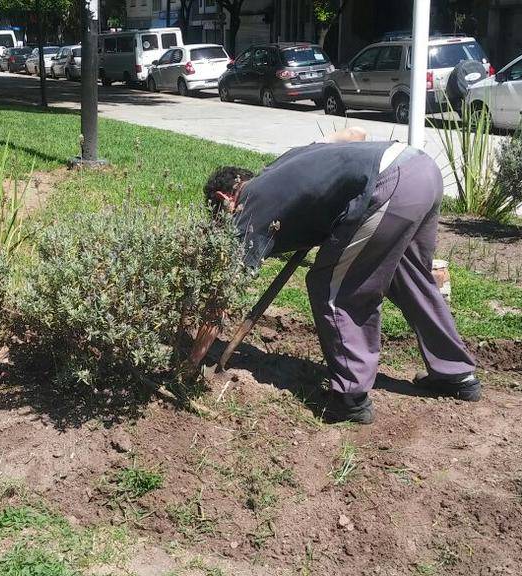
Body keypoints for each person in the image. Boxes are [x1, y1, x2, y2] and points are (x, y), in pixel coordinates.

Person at [203, 130, 479, 424]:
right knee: (409, 276)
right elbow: (353, 134)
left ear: (225, 198)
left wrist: (196, 359)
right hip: (421, 169)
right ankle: (456, 374)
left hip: (390, 183)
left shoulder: (249, 201)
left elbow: (225, 285)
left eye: (220, 217)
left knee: (333, 285)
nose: (226, 226)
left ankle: (350, 397)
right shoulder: (289, 159)